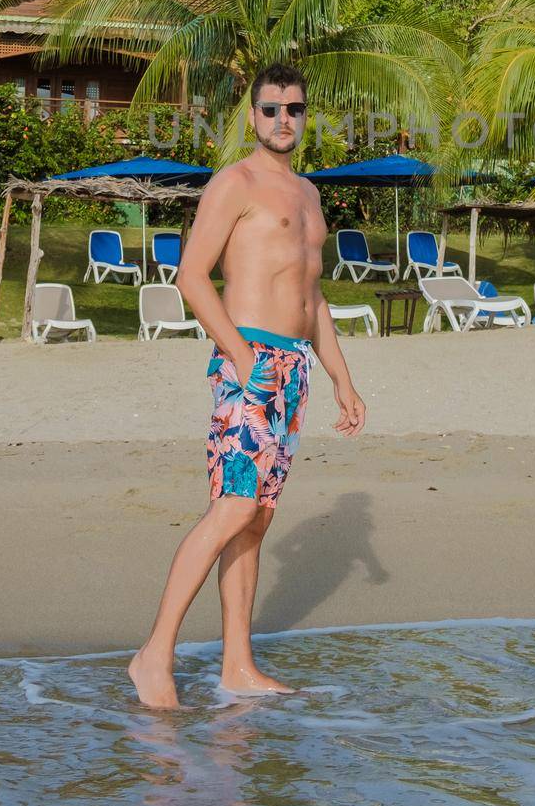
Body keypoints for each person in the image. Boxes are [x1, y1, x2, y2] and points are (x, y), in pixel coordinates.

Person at [127, 61, 367, 708]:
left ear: (303, 115)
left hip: (293, 370)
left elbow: (312, 299)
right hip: (249, 363)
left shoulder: (310, 196)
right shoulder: (233, 184)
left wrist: (341, 378)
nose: (281, 120)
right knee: (232, 505)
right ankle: (153, 656)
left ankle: (237, 667)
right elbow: (191, 277)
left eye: (292, 109)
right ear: (252, 115)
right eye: (269, 109)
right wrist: (238, 354)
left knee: (255, 521)